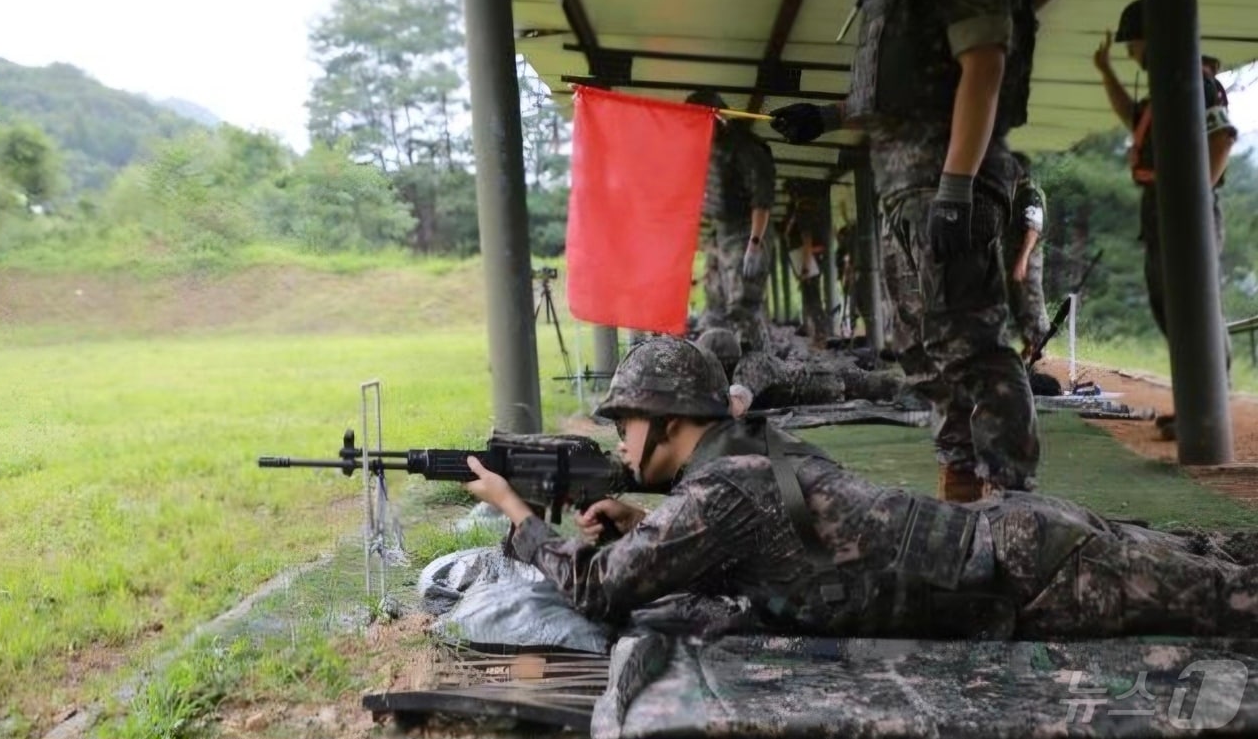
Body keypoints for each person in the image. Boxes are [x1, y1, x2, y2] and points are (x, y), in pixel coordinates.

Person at [464, 337, 1258, 639]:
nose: (620, 441)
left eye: (626, 422)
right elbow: (755, 528)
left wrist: (517, 515)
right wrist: (647, 515)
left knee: (1237, 599)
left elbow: (599, 589)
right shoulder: (748, 458)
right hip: (1024, 537)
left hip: (1030, 573)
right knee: (1220, 562)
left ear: (668, 420)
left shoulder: (719, 497)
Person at [767, 0, 1038, 501]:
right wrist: (825, 115)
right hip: (904, 191)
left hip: (948, 187)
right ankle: (961, 495)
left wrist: (956, 185)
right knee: (922, 354)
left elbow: (984, 66)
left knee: (971, 350)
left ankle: (1015, 506)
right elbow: (900, 95)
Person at [1093, 0, 1237, 439]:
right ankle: (1196, 403)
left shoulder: (1197, 83)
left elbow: (1222, 139)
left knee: (1196, 306)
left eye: (1131, 43)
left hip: (1186, 211)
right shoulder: (1163, 95)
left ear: (1148, 38)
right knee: (1171, 309)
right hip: (1160, 209)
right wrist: (1104, 73)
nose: (1130, 52)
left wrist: (1193, 201)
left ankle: (1213, 409)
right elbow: (1132, 117)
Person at [691, 90, 776, 351]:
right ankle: (720, 370)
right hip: (721, 231)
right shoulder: (707, 146)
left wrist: (755, 243)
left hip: (746, 229)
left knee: (743, 307)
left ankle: (756, 372)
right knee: (715, 304)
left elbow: (762, 199)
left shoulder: (746, 148)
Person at [1003, 153, 1049, 360]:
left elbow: (1033, 229)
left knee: (1031, 301)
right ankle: (1029, 344)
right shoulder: (1015, 194)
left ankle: (1039, 346)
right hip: (1013, 254)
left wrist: (1022, 260)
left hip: (1027, 257)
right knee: (1018, 302)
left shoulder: (1030, 195)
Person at [781, 178, 832, 348]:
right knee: (811, 296)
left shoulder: (804, 210)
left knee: (812, 297)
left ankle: (820, 335)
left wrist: (804, 265)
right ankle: (817, 333)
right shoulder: (806, 210)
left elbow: (806, 238)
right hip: (809, 257)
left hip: (809, 258)